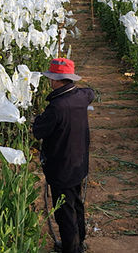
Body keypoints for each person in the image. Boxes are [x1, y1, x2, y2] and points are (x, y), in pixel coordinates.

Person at [32, 57, 95, 253]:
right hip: (79, 163)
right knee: (76, 204)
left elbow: (38, 131)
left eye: (51, 78)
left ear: (57, 80)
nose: (50, 82)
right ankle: (78, 242)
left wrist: (36, 120)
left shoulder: (57, 107)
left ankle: (71, 249)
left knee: (64, 212)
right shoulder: (81, 97)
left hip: (61, 167)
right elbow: (90, 92)